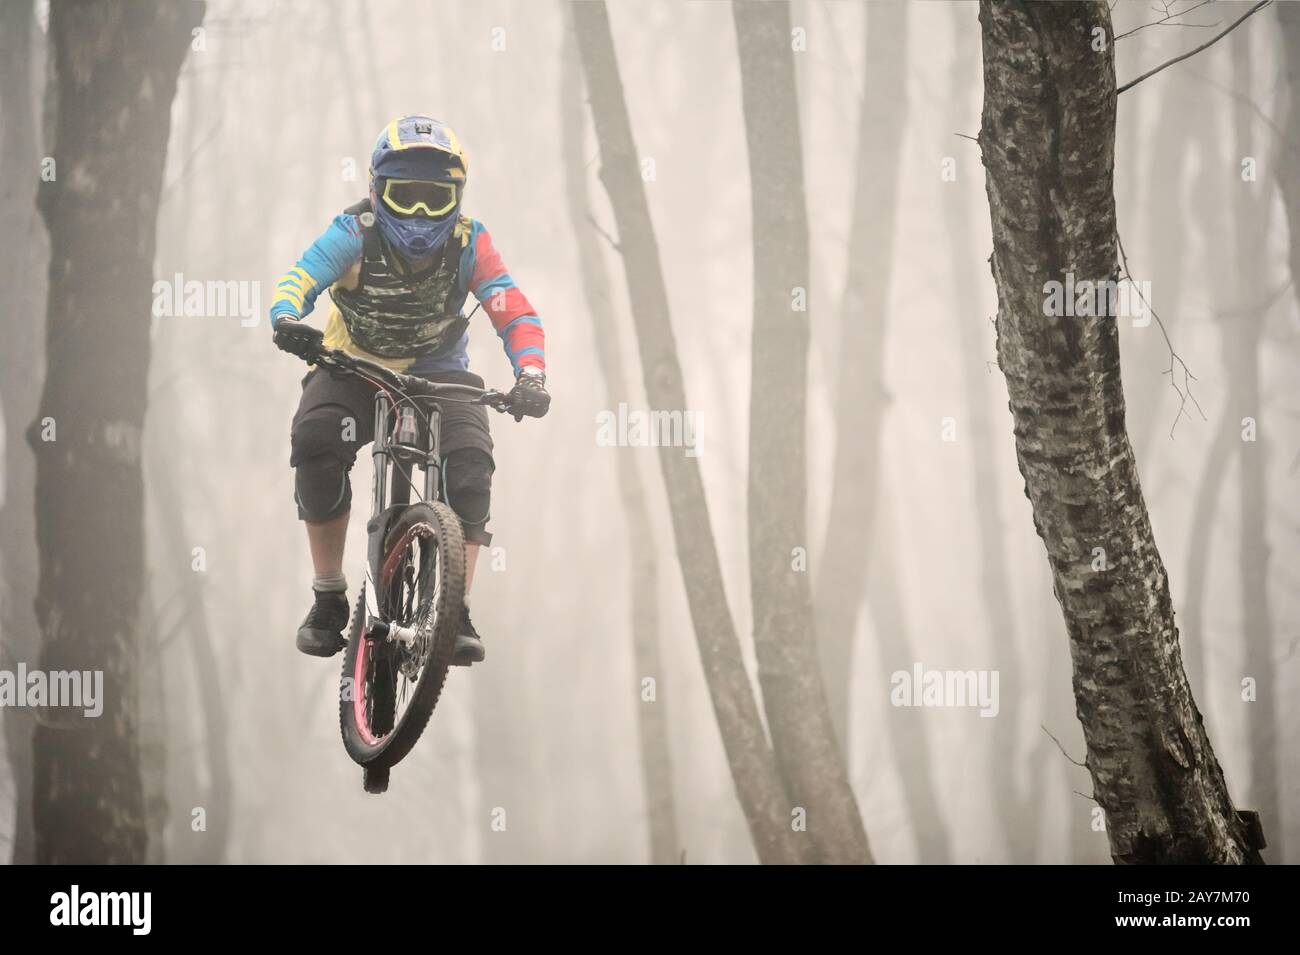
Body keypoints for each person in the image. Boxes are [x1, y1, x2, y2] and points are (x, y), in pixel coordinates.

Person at [269, 115, 549, 664]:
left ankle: (455, 608)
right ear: (376, 192)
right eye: (405, 196)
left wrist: (531, 375)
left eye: (434, 198)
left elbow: (513, 311)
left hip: (438, 371)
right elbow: (303, 276)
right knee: (317, 443)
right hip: (350, 363)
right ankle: (328, 596)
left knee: (470, 470)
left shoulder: (471, 244)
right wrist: (285, 316)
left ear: (457, 199)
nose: (420, 214)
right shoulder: (353, 233)